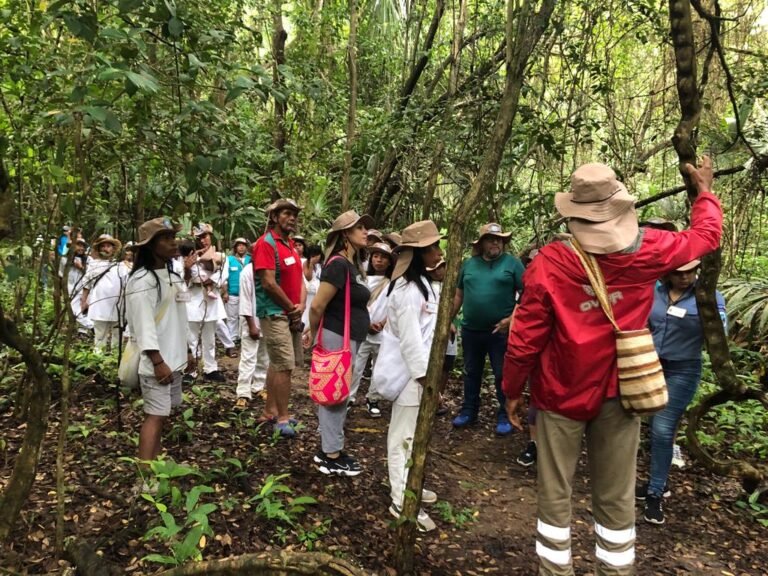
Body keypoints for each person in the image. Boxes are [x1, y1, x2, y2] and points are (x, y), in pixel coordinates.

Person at [501, 158, 722, 576]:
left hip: (559, 392)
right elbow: (705, 236)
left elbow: (526, 337)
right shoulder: (649, 250)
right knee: (617, 494)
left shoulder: (550, 262)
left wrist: (512, 389)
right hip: (621, 391)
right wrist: (704, 192)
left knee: (555, 491)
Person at [636, 259, 727, 525]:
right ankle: (659, 481)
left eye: (690, 272)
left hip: (683, 370)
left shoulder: (708, 296)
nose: (684, 277)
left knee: (663, 429)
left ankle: (655, 494)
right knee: (648, 423)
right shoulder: (655, 291)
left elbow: (720, 332)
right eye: (678, 272)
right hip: (650, 365)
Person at [373, 220, 444, 532]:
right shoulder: (407, 291)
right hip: (408, 375)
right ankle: (401, 498)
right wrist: (424, 379)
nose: (439, 253)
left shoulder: (422, 284)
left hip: (417, 373)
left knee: (413, 435)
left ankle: (411, 484)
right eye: (433, 247)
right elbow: (411, 340)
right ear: (419, 253)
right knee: (401, 438)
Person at [308, 210, 373, 475]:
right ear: (345, 234)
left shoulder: (350, 264)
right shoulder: (337, 265)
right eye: (359, 228)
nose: (365, 232)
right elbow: (317, 306)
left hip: (347, 337)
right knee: (335, 394)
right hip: (336, 336)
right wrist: (314, 334)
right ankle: (330, 454)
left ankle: (331, 445)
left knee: (339, 392)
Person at [124, 217, 188, 464]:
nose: (173, 243)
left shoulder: (173, 277)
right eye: (166, 239)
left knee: (162, 414)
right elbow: (143, 325)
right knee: (155, 415)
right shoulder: (142, 281)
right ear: (150, 245)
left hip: (174, 360)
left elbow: (179, 319)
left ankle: (155, 467)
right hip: (158, 363)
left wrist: (187, 351)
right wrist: (157, 361)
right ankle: (144, 473)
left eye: (173, 237)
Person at [452, 223, 525, 435]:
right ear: (481, 243)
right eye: (491, 239)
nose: (495, 242)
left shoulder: (512, 264)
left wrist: (511, 319)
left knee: (502, 373)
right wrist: (449, 320)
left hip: (499, 331)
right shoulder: (469, 264)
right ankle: (469, 410)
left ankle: (504, 414)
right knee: (471, 371)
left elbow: (527, 293)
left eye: (499, 239)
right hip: (471, 330)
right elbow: (458, 294)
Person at [253, 198, 306, 437]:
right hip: (275, 313)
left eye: (294, 214)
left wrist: (300, 305)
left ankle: (270, 411)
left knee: (279, 363)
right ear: (274, 217)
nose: (292, 218)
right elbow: (268, 282)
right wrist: (291, 308)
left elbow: (300, 279)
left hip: (290, 313)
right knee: (284, 364)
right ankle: (282, 418)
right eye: (286, 213)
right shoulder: (266, 244)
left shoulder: (291, 245)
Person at [348, 242, 394, 417]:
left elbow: (393, 307)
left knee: (379, 367)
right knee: (356, 366)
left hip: (383, 332)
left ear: (390, 262)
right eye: (375, 256)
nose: (379, 260)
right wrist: (367, 324)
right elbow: (357, 304)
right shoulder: (362, 279)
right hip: (362, 330)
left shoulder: (393, 283)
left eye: (383, 257)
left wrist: (382, 323)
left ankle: (373, 398)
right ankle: (349, 398)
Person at [184, 223, 229, 381]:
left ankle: (210, 368)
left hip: (211, 300)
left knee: (209, 338)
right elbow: (186, 278)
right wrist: (188, 269)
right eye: (199, 238)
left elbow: (223, 275)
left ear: (210, 236)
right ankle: (191, 370)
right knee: (192, 337)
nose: (203, 240)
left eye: (205, 236)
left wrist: (209, 281)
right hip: (193, 299)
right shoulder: (191, 256)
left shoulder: (220, 256)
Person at [234, 260, 270, 408]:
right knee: (248, 357)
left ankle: (258, 386)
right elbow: (245, 301)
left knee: (264, 356)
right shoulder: (247, 272)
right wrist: (251, 325)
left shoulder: (269, 268)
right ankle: (243, 392)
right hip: (252, 320)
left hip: (267, 319)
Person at [81, 234, 122, 352]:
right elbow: (86, 285)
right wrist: (83, 301)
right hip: (99, 305)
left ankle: (115, 357)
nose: (105, 249)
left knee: (117, 334)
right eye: (102, 246)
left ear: (113, 249)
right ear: (99, 249)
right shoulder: (93, 265)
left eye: (108, 246)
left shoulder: (119, 266)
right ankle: (98, 357)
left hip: (117, 305)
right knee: (100, 336)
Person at [224, 238, 251, 347]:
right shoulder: (229, 259)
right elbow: (225, 276)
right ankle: (232, 338)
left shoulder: (250, 259)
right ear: (235, 247)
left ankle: (243, 336)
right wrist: (225, 292)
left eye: (243, 245)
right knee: (232, 317)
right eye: (239, 245)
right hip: (233, 293)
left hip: (248, 294)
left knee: (246, 316)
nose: (241, 247)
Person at [68, 237, 94, 334]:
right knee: (74, 310)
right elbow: (61, 275)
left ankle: (86, 330)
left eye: (83, 246)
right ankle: (90, 327)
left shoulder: (89, 260)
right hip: (70, 288)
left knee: (83, 310)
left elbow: (91, 274)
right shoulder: (65, 259)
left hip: (85, 288)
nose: (81, 248)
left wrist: (81, 267)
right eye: (78, 245)